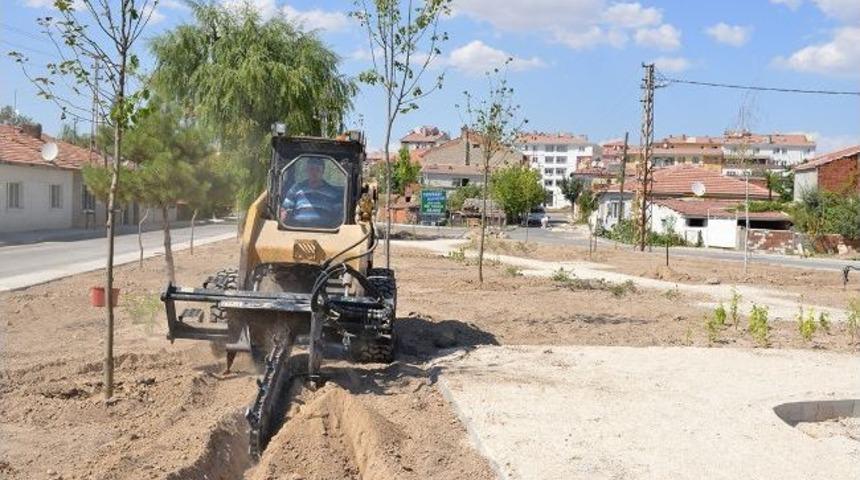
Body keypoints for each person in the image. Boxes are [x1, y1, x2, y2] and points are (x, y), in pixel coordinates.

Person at [280, 157, 344, 229]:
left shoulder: (333, 193)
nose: (314, 172)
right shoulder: (296, 189)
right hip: (297, 229)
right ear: (307, 170)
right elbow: (285, 209)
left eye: (317, 169)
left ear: (322, 171)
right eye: (311, 169)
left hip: (325, 231)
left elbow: (339, 216)